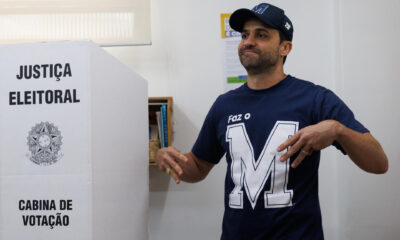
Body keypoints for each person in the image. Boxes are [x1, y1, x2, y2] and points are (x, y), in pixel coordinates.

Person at [155, 3, 388, 239]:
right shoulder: (224, 105)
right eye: (245, 35)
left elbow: (379, 163)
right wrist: (170, 159)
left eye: (261, 34)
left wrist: (339, 130)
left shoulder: (315, 99)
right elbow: (197, 167)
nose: (248, 41)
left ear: (285, 47)